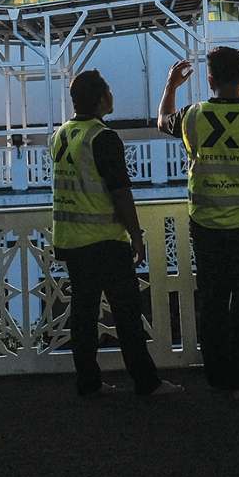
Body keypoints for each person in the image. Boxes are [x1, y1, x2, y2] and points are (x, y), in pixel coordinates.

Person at [159, 46, 239, 399]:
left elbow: (162, 120)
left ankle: (217, 378)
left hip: (207, 225)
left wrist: (171, 87)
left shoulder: (192, 116)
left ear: (209, 79)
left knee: (213, 302)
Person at [50, 69, 182, 399]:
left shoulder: (62, 135)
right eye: (108, 91)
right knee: (127, 314)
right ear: (100, 99)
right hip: (104, 239)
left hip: (71, 238)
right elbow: (120, 191)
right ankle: (146, 382)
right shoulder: (102, 137)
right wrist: (135, 234)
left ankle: (88, 382)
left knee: (83, 313)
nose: (112, 96)